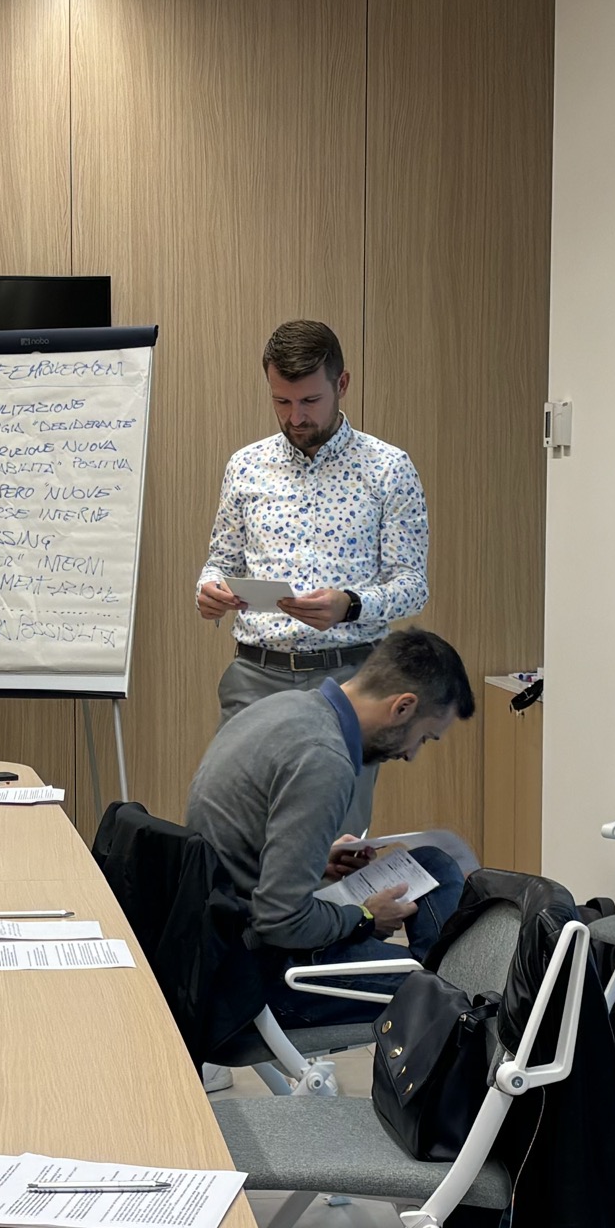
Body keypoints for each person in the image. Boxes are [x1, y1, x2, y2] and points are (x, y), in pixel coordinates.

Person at [184, 624, 476, 1032]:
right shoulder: (324, 759)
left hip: (220, 931)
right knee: (448, 996)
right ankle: (451, 1015)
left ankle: (445, 1009)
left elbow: (247, 848)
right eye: (423, 738)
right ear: (403, 707)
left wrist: (317, 859)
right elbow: (281, 921)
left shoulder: (287, 707)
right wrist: (364, 917)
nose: (411, 755)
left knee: (435, 865)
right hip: (253, 974)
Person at [193, 321, 430, 819]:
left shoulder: (388, 468)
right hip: (256, 676)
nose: (295, 417)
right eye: (281, 401)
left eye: (310, 401)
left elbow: (412, 585)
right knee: (231, 826)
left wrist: (352, 605)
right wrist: (209, 588)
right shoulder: (246, 466)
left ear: (342, 384)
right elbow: (222, 561)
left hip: (349, 680)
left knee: (335, 836)